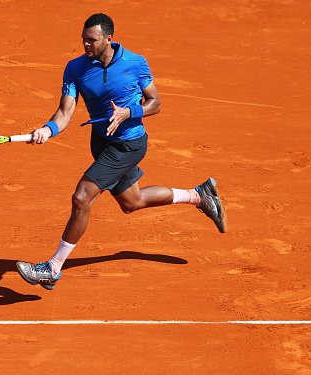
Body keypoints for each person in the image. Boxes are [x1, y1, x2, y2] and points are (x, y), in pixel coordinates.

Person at [16, 13, 227, 290]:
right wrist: (48, 129)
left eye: (92, 40)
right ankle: (199, 196)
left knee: (81, 198)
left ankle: (52, 268)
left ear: (108, 39)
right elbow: (65, 112)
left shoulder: (135, 63)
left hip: (128, 145)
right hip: (101, 143)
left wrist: (129, 111)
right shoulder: (75, 68)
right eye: (83, 39)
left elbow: (155, 103)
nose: (86, 45)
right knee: (132, 202)